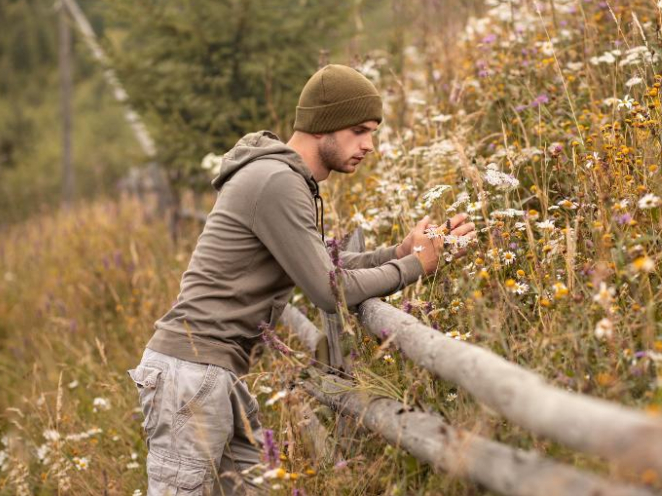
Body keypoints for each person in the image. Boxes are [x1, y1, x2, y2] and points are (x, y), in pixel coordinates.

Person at [126, 64, 477, 495]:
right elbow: (331, 290)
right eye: (359, 130)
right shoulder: (276, 181)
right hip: (192, 376)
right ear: (323, 125)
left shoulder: (282, 178)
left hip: (211, 374)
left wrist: (399, 253)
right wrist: (416, 267)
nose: (370, 145)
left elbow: (325, 263)